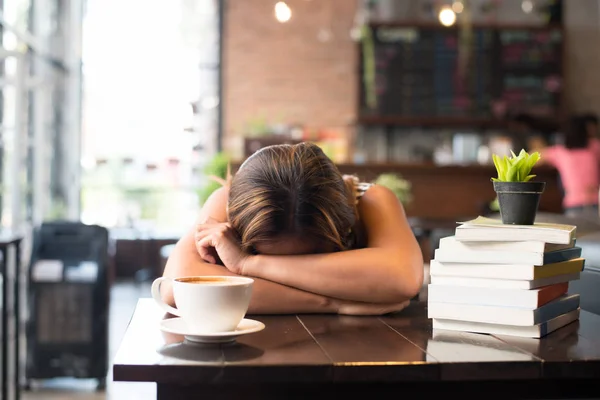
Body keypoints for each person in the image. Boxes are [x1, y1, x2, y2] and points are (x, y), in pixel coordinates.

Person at [163, 142, 424, 315]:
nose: (289, 269)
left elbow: (403, 278)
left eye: (312, 258)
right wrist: (334, 302)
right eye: (270, 256)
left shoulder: (371, 201)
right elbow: (177, 288)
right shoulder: (229, 203)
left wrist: (247, 265)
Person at [539, 115, 600, 216]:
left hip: (573, 203)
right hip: (595, 202)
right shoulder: (594, 147)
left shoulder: (560, 152)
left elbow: (533, 156)